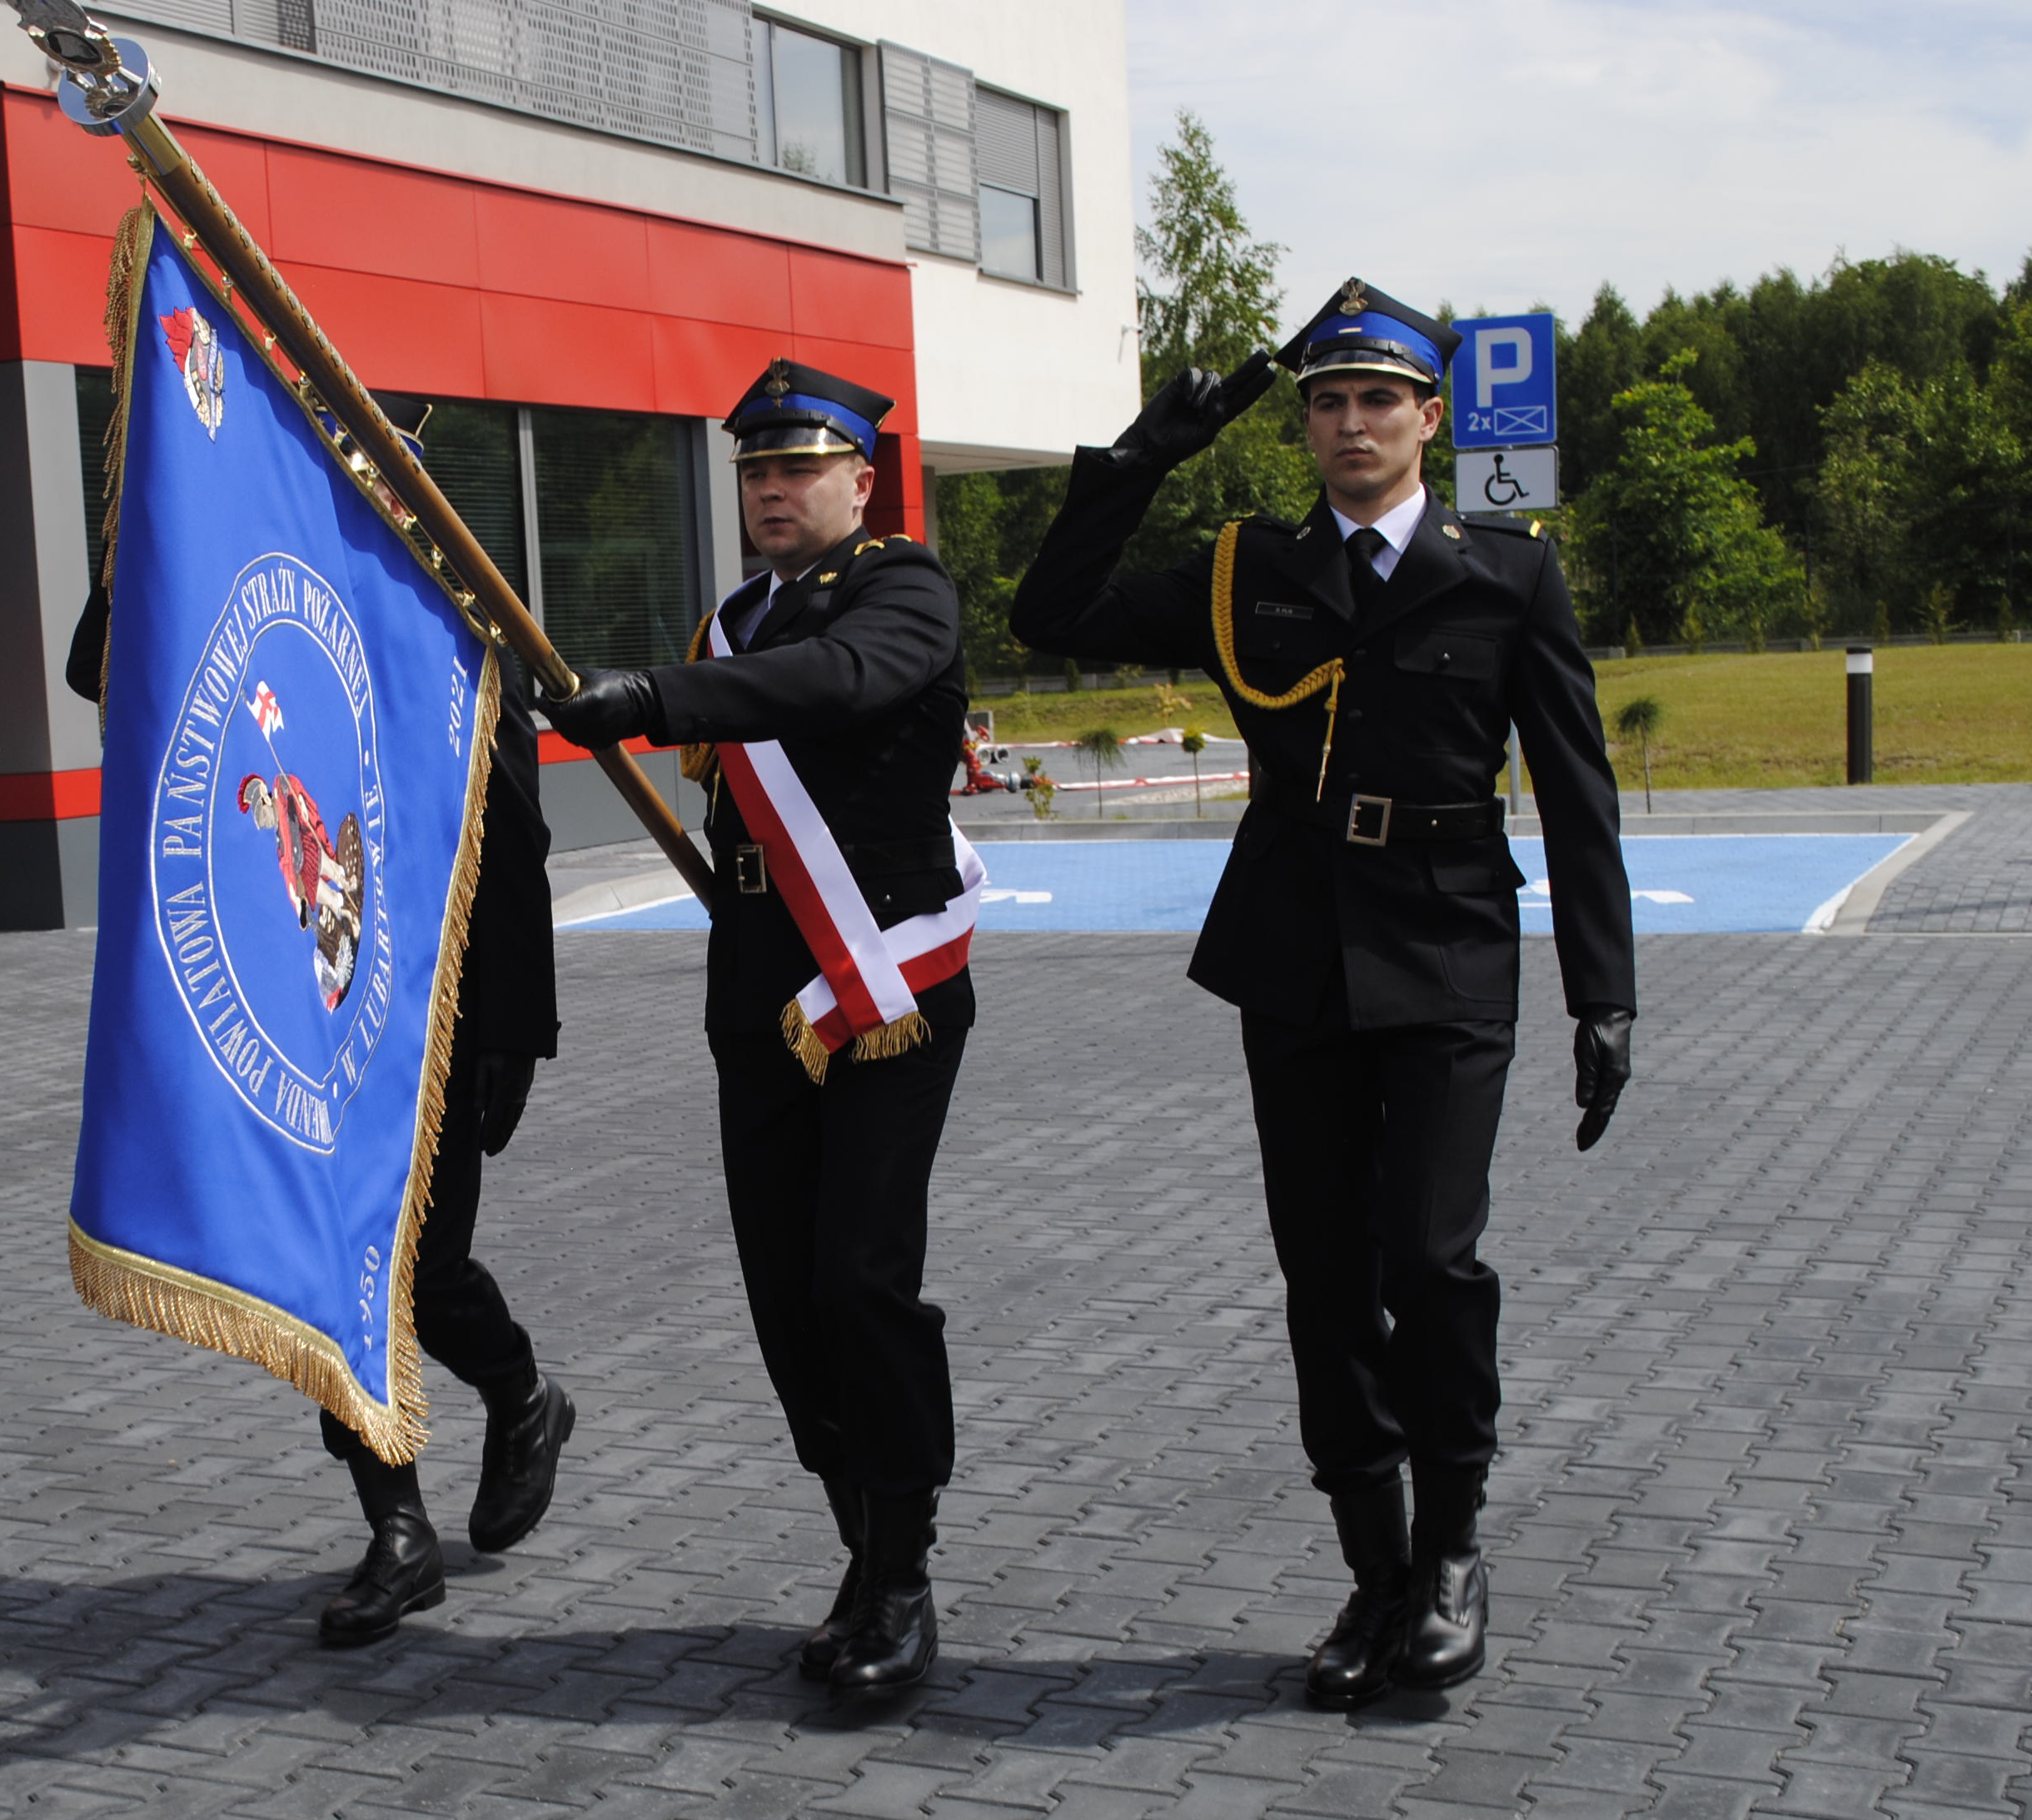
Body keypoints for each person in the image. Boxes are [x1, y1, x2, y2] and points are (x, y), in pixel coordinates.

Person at [1008, 278, 1638, 1710]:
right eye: (1327, 402)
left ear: (1429, 418)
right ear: (1304, 426)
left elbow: (1578, 793)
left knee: (1430, 1256)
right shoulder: (1249, 570)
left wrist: (1604, 989)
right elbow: (1053, 610)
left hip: (1449, 944)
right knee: (1327, 1280)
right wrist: (1136, 457)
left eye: (1378, 400)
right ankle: (1374, 1565)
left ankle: (1456, 1550)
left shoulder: (1507, 575)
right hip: (1293, 950)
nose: (1351, 424)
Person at [538, 358, 977, 1702]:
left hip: (883, 989)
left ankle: (902, 1568)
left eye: (800, 468)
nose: (775, 490)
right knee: (786, 1300)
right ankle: (858, 1546)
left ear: (862, 478)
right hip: (758, 1000)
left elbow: (838, 686)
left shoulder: (903, 592)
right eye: (756, 472)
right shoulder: (734, 615)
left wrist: (655, 698)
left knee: (861, 1278)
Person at [64, 589, 578, 1649]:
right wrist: (137, 550)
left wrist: (515, 1026)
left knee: (425, 1272)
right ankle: (398, 1532)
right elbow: (101, 668)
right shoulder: (275, 571)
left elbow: (513, 833)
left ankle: (520, 1389)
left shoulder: (450, 614)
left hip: (434, 1004)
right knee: (332, 1271)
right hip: (309, 1001)